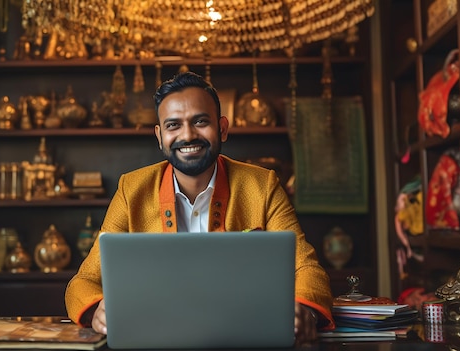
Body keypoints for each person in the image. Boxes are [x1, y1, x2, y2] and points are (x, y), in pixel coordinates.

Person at [65, 71, 335, 343]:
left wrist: (304, 313)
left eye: (201, 121)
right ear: (159, 137)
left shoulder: (262, 185)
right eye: (173, 125)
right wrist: (98, 309)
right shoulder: (131, 190)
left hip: (243, 338)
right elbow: (83, 282)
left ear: (223, 128)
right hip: (156, 340)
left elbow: (308, 270)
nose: (188, 135)